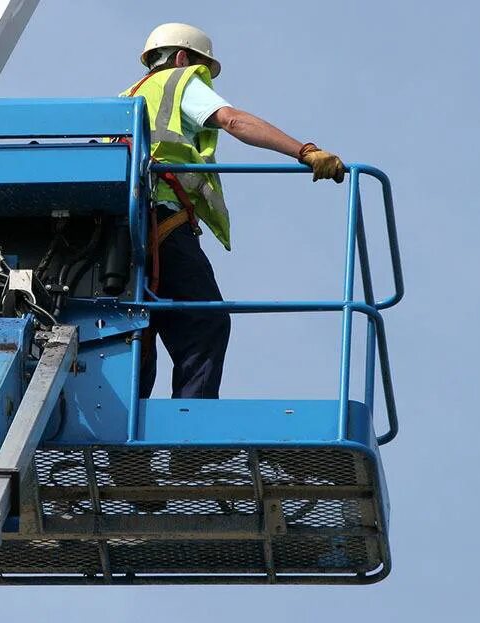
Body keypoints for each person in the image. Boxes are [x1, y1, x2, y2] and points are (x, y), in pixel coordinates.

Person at [127, 22, 346, 401]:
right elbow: (234, 121)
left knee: (132, 332)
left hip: (115, 230)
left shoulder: (126, 100)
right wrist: (305, 151)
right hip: (160, 220)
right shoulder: (180, 82)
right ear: (181, 58)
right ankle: (188, 443)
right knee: (204, 323)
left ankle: (121, 444)